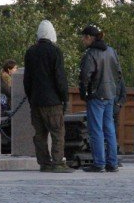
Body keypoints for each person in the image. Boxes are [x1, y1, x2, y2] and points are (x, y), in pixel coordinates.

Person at [23, 20, 71, 173]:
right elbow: (60, 77)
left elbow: (27, 79)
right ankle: (57, 162)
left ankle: (44, 162)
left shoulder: (30, 52)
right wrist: (65, 97)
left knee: (40, 134)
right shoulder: (55, 52)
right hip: (53, 101)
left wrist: (31, 98)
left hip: (36, 100)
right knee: (57, 132)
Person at [79, 25, 122, 173]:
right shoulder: (111, 51)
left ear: (89, 37)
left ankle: (99, 163)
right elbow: (118, 72)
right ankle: (113, 163)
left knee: (96, 129)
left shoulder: (91, 53)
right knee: (109, 128)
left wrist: (84, 92)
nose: (82, 41)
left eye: (83, 38)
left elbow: (85, 75)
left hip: (96, 95)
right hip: (110, 93)